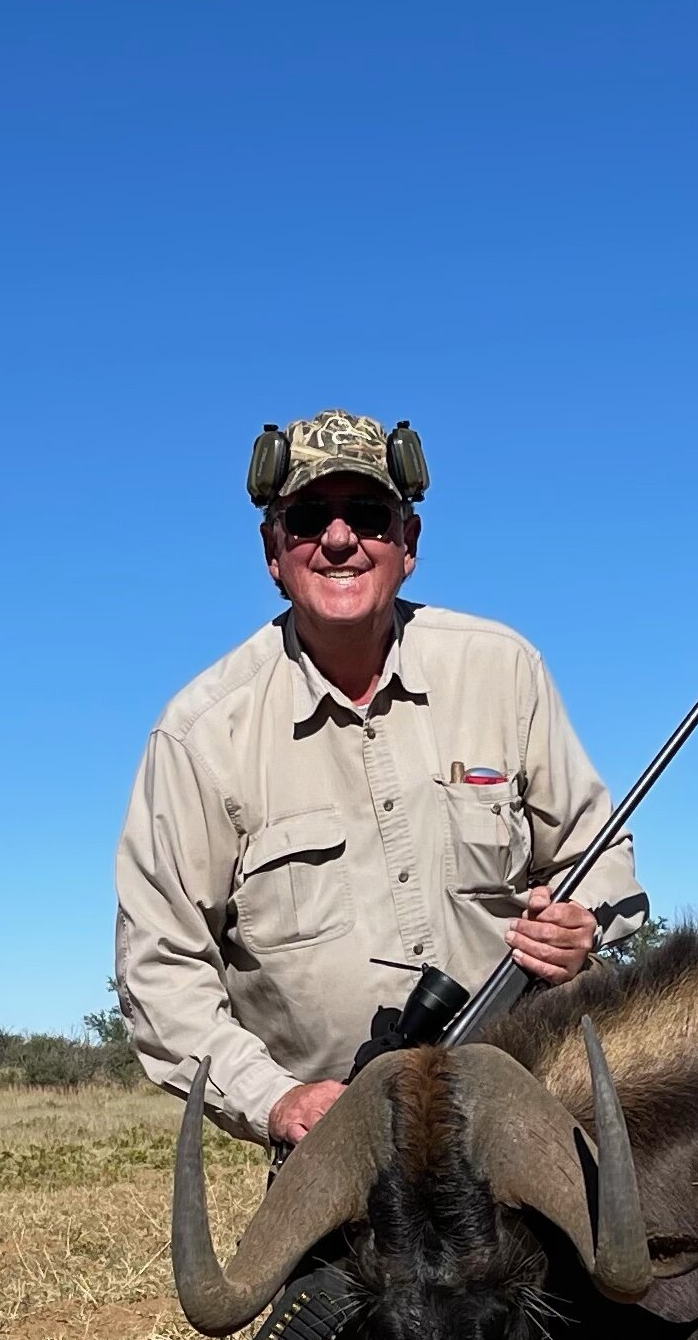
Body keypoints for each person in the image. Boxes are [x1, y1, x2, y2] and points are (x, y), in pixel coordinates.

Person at [115, 409, 647, 1150]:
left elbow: (600, 854)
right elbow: (160, 968)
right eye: (307, 519)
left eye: (367, 515)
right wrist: (279, 1101)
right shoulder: (201, 733)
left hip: (533, 1112)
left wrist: (580, 922)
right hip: (339, 1145)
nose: (338, 539)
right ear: (274, 551)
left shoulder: (502, 669)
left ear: (408, 543)